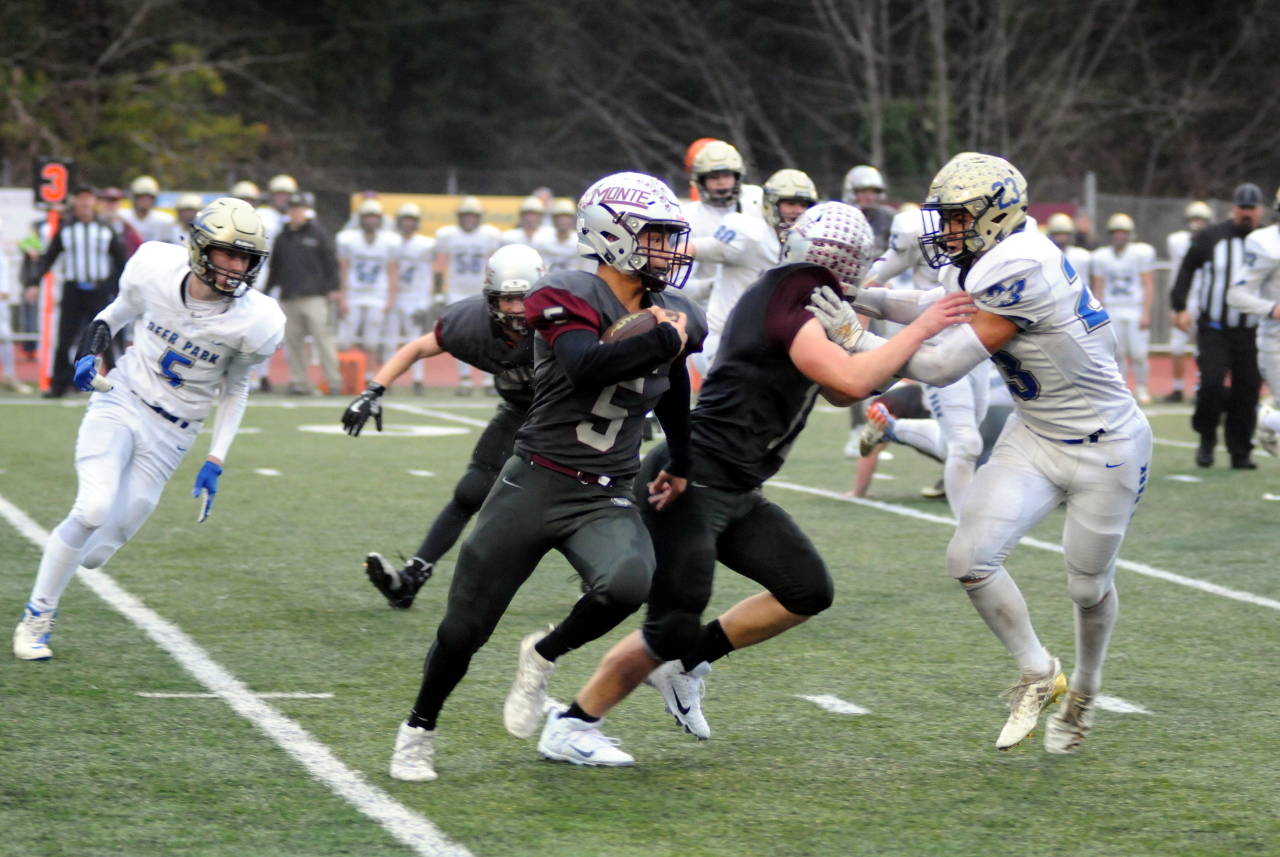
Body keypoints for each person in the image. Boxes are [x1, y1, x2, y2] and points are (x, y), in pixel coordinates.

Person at [536, 201, 976, 766]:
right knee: (671, 621)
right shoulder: (791, 294)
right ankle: (573, 723)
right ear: (845, 261)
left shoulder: (797, 291)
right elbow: (852, 377)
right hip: (693, 478)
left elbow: (843, 392)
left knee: (806, 590)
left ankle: (685, 661)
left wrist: (862, 339)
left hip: (735, 485)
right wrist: (914, 329)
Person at [387, 171, 703, 782]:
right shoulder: (563, 292)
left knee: (630, 583)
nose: (671, 249)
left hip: (605, 490)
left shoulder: (680, 311)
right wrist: (663, 336)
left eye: (672, 236)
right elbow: (586, 366)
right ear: (613, 235)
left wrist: (683, 461)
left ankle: (543, 653)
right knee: (464, 628)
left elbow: (672, 389)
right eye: (658, 235)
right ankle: (419, 728)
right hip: (535, 480)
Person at [838, 152, 1153, 755]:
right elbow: (939, 310)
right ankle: (1040, 673)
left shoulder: (1020, 265)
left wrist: (857, 336)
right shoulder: (987, 256)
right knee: (970, 557)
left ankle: (1086, 687)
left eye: (958, 218)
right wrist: (866, 298)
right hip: (1035, 432)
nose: (946, 231)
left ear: (993, 216)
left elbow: (939, 364)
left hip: (1105, 447)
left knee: (1087, 588)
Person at [13, 198, 284, 660]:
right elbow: (113, 314)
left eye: (246, 258)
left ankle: (61, 572)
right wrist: (88, 353)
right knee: (92, 508)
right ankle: (37, 616)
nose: (238, 267)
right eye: (228, 254)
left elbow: (235, 389)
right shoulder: (154, 267)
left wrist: (216, 456)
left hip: (175, 433)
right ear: (200, 248)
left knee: (98, 550)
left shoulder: (258, 320)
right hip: (123, 400)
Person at [347, 244, 544, 607]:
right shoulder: (470, 324)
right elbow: (417, 349)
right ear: (490, 299)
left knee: (565, 503)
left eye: (524, 299)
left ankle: (605, 577)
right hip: (518, 410)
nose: (516, 309)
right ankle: (412, 577)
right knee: (470, 492)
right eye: (507, 299)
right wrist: (374, 390)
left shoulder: (565, 319)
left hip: (567, 417)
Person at [1171, 182, 1265, 469]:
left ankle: (1240, 451)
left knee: (1247, 390)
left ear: (1261, 211)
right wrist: (1179, 306)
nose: (1246, 214)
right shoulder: (1211, 236)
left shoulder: (1268, 241)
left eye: (1252, 208)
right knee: (1210, 383)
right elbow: (1187, 268)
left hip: (1252, 330)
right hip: (1215, 327)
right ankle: (1207, 438)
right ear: (1233, 208)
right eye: (1242, 208)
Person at [691, 168, 818, 368]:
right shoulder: (750, 235)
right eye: (790, 203)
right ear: (772, 204)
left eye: (803, 205)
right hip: (724, 342)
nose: (798, 211)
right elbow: (696, 248)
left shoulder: (806, 245)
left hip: (765, 345)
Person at [25, 186, 127, 398]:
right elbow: (49, 257)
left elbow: (119, 261)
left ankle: (118, 382)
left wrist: (117, 287)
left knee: (105, 335)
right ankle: (60, 384)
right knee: (65, 337)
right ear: (75, 204)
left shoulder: (106, 229)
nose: (85, 205)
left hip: (99, 289)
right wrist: (34, 282)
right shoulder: (66, 229)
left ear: (94, 203)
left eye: (88, 201)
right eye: (80, 201)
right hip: (73, 289)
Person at [267, 193, 342, 395]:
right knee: (293, 343)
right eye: (292, 209)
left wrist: (333, 288)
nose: (296, 212)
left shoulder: (318, 233)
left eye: (299, 209)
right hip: (289, 296)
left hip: (315, 296)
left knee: (323, 339)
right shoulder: (282, 237)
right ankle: (300, 382)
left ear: (305, 211)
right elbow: (275, 268)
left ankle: (333, 381)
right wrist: (267, 291)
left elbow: (331, 262)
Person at [1227, 184, 1280, 459]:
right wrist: (1272, 308)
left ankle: (1271, 420)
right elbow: (1236, 295)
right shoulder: (1267, 245)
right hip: (1277, 339)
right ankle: (1269, 419)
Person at [433, 196, 502, 394]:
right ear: (459, 217)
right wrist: (438, 294)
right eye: (466, 215)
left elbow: (494, 265)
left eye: (473, 216)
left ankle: (490, 380)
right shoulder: (448, 235)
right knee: (462, 337)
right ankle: (464, 379)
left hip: (483, 290)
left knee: (491, 335)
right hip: (456, 291)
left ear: (479, 217)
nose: (469, 219)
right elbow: (439, 266)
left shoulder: (490, 235)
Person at [1091, 213, 1156, 404]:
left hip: (1134, 307)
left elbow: (1148, 284)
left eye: (1123, 232)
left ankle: (1142, 388)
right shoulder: (1101, 256)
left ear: (1130, 234)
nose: (1120, 236)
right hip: (1113, 307)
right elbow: (1098, 288)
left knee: (1138, 353)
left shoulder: (1140, 253)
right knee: (1116, 353)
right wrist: (1099, 313)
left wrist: (1146, 311)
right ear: (1111, 234)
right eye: (1116, 232)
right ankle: (1121, 389)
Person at [682, 140, 751, 311]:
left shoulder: (754, 209)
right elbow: (674, 285)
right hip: (706, 311)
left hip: (751, 307)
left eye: (727, 176)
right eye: (714, 177)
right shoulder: (688, 217)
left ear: (737, 177)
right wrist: (713, 286)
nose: (721, 183)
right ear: (701, 181)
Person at [336, 198, 399, 380]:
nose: (370, 220)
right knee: (345, 339)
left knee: (372, 340)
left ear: (379, 219)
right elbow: (344, 269)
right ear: (361, 218)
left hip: (378, 294)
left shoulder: (389, 242)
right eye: (367, 216)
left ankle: (370, 375)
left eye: (374, 217)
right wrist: (343, 296)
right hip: (354, 294)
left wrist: (391, 298)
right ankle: (345, 374)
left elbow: (392, 271)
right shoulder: (349, 240)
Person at [1163, 201, 1212, 403]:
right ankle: (1177, 388)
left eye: (1201, 220)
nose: (1197, 224)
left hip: (1203, 300)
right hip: (1183, 300)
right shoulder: (1176, 241)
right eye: (1194, 219)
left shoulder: (1212, 241)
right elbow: (1177, 274)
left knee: (1204, 348)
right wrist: (1174, 305)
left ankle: (1201, 386)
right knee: (1176, 347)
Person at [390, 203, 436, 394]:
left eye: (411, 220)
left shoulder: (426, 244)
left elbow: (432, 272)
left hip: (415, 297)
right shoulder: (390, 242)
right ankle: (388, 378)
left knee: (415, 341)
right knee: (389, 340)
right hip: (394, 295)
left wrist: (427, 299)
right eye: (405, 219)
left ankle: (417, 379)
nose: (408, 224)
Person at [841, 164, 894, 256]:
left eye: (873, 193)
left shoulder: (887, 217)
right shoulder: (841, 216)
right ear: (851, 193)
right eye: (863, 192)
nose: (869, 197)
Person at [537, 198, 593, 274]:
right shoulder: (542, 241)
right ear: (554, 220)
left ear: (573, 220)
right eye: (560, 218)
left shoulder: (581, 243)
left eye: (567, 218)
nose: (563, 221)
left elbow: (587, 270)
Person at [121, 175, 181, 245]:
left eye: (149, 198)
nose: (145, 201)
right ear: (134, 198)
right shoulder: (122, 217)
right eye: (141, 197)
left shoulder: (165, 220)